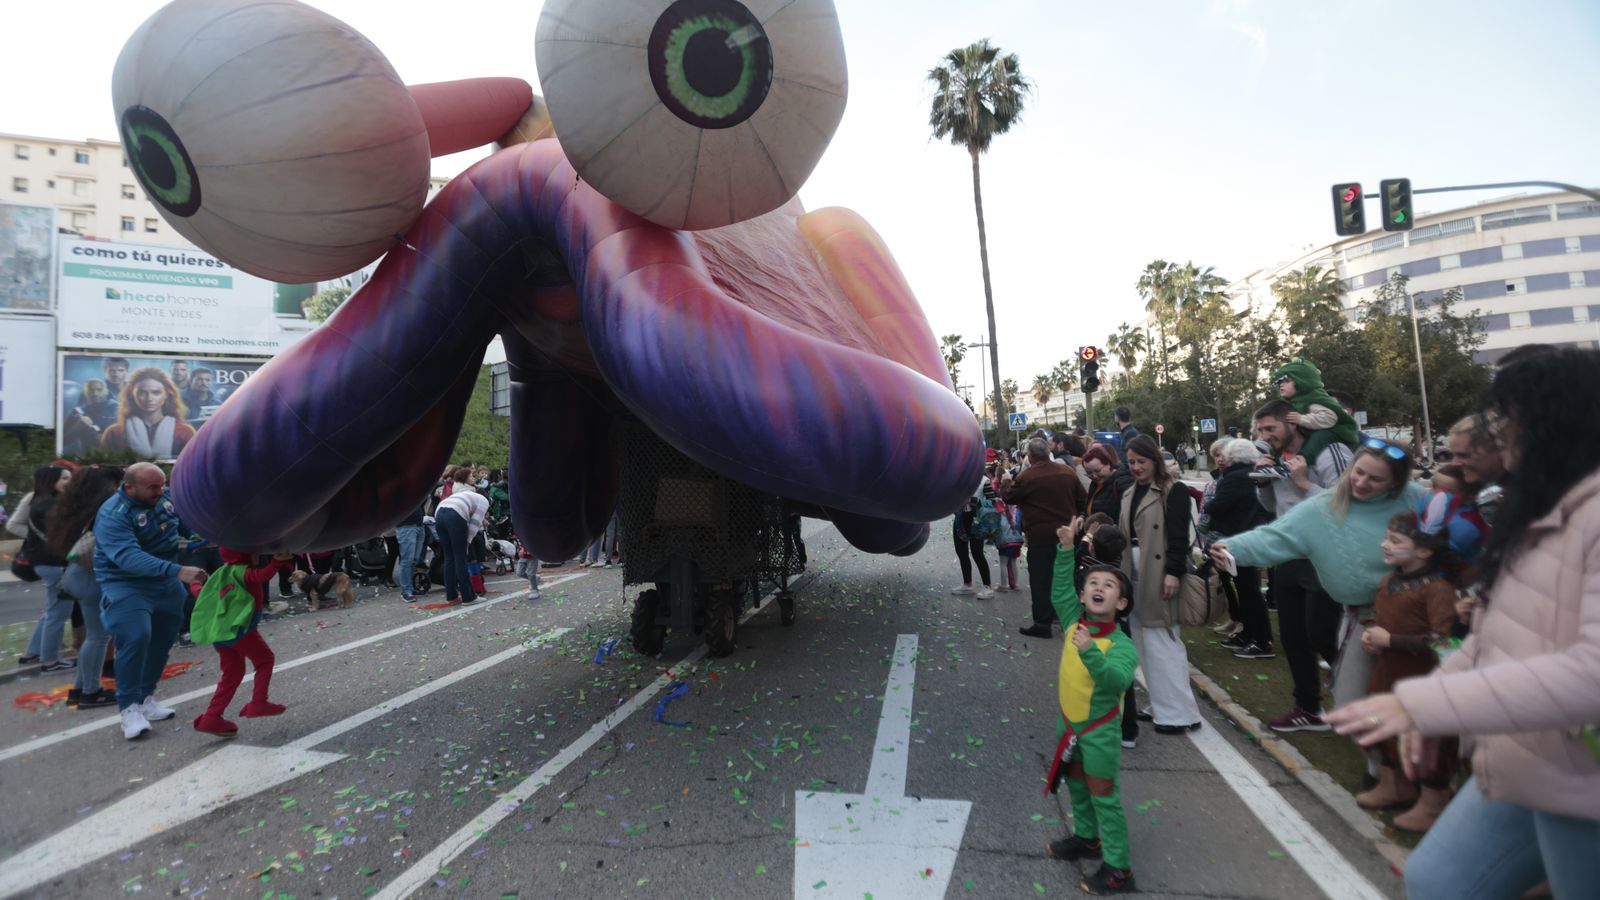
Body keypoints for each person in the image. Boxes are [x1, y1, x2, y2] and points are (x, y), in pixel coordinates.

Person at [1328, 346, 1600, 899]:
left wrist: (1420, 704)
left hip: (1582, 777)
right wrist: (1434, 708)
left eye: (1510, 422)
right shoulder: (1542, 509)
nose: (1497, 438)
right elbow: (1498, 635)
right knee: (1436, 880)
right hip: (1531, 759)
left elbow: (1591, 672)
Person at [1210, 439, 1424, 734]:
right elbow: (1276, 536)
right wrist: (1231, 548)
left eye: (1375, 479)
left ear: (1396, 483)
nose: (1361, 482)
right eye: (1358, 472)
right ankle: (1380, 767)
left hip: (1417, 614)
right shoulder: (1325, 506)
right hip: (1363, 618)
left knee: (1416, 701)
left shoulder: (1419, 500)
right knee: (1352, 699)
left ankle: (1408, 767)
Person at [1242, 399, 1354, 732]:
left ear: (1293, 423)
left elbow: (1347, 504)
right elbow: (1272, 504)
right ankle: (1308, 708)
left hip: (1324, 555)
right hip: (1289, 555)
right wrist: (1262, 482)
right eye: (1260, 430)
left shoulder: (1328, 451)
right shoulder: (1276, 457)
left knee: (1322, 634)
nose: (1265, 436)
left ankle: (1359, 701)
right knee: (1292, 636)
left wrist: (1305, 482)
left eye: (1270, 428)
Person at [1043, 517, 1139, 894]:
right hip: (1070, 727)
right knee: (1077, 786)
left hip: (1099, 732)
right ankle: (1086, 838)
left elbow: (1118, 682)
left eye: (1109, 585)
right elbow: (1058, 593)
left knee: (1104, 797)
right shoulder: (1072, 621)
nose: (1098, 588)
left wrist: (1090, 655)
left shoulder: (1121, 644)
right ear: (1083, 596)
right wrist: (1066, 549)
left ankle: (1119, 869)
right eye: (1093, 585)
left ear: (1122, 601)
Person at [1350, 509, 1460, 832]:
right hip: (1389, 672)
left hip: (1421, 676)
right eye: (1386, 538)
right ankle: (1393, 784)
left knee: (1429, 739)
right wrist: (1373, 633)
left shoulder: (1437, 589)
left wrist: (1392, 640)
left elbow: (1444, 640)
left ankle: (1433, 803)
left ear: (1424, 550)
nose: (1385, 545)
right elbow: (1383, 616)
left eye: (1395, 540)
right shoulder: (1390, 580)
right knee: (1384, 727)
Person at [94, 463, 208, 740]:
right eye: (153, 487)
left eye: (162, 484)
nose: (160, 491)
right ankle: (128, 709)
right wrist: (178, 571)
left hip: (165, 583)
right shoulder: (112, 514)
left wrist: (201, 538)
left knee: (162, 639)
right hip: (126, 583)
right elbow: (127, 556)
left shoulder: (165, 499)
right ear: (129, 486)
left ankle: (146, 697)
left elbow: (183, 527)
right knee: (135, 636)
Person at [1118, 435, 1203, 734]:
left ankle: (1177, 714)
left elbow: (1180, 537)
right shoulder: (1129, 493)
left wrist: (1173, 571)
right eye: (1131, 462)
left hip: (1160, 571)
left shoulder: (1173, 491)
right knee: (1142, 643)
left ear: (1154, 460)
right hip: (1133, 572)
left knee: (1164, 642)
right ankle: (1164, 704)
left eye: (1141, 461)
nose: (1136, 467)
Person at [189, 549, 297, 736]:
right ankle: (259, 702)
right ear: (243, 555)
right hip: (238, 630)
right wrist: (276, 562)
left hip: (221, 634)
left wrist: (195, 584)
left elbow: (202, 593)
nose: (257, 555)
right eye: (253, 552)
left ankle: (211, 717)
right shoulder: (240, 571)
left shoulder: (221, 573)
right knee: (265, 660)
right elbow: (262, 575)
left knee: (233, 673)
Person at [45, 464, 125, 709]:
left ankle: (80, 689)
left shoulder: (81, 507)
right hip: (91, 578)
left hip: (78, 575)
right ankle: (90, 692)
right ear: (111, 485)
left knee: (95, 635)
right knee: (98, 636)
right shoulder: (107, 507)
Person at [1003, 437, 1088, 637]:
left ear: (1030, 457)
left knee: (1041, 580)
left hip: (1040, 537)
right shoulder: (1067, 472)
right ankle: (1069, 620)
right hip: (1066, 537)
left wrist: (1006, 480)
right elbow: (1081, 497)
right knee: (1065, 579)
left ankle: (1043, 624)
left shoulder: (1027, 477)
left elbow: (1009, 497)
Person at [1205, 440, 1273, 659]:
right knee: (1247, 589)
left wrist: (1209, 505)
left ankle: (1260, 640)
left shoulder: (1235, 477)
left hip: (1236, 537)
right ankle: (1250, 634)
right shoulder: (1249, 474)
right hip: (1247, 534)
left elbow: (1218, 505)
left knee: (1248, 590)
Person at [17, 466, 74, 672]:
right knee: (58, 613)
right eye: (64, 478)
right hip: (54, 563)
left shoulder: (40, 502)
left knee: (52, 610)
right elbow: (66, 534)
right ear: (51, 481)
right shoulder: (52, 505)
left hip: (45, 562)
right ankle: (50, 660)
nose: (70, 481)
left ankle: (31, 653)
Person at [1270, 357, 1361, 462]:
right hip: (1316, 428)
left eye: (1287, 381)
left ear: (1303, 382)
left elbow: (1330, 417)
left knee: (1319, 437)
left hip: (1337, 431)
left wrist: (1302, 419)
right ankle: (1274, 460)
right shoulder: (1295, 401)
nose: (1282, 384)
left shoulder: (1313, 399)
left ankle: (1301, 460)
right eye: (1280, 382)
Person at [101, 367, 196, 459]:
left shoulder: (185, 432)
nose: (149, 398)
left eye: (156, 392)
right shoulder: (114, 433)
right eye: (142, 393)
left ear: (166, 395)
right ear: (132, 395)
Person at [434, 470, 490, 604]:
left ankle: (452, 596)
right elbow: (473, 527)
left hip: (440, 513)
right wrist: (466, 545)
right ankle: (468, 597)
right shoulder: (483, 502)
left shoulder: (464, 495)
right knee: (460, 557)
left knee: (449, 557)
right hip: (455, 514)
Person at [950, 479, 996, 599]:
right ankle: (967, 584)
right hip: (960, 519)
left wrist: (973, 500)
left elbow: (992, 502)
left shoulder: (984, 481)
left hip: (977, 520)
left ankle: (988, 586)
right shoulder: (959, 479)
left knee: (977, 553)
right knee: (961, 552)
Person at [63, 379, 117, 454]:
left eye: (99, 390)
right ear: (85, 393)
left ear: (106, 391)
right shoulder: (77, 412)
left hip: (116, 457)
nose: (95, 393)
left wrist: (106, 438)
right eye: (91, 390)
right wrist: (77, 427)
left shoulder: (118, 409)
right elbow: (62, 441)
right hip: (88, 458)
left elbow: (131, 436)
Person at [1082, 444, 1132, 523]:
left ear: (1109, 464)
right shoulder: (1095, 483)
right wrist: (1083, 517)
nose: (1094, 476)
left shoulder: (1122, 482)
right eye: (1089, 473)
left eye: (1098, 471)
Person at [395, 500, 428, 602]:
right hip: (406, 525)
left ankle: (410, 588)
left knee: (414, 560)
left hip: (419, 523)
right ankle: (406, 591)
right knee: (407, 560)